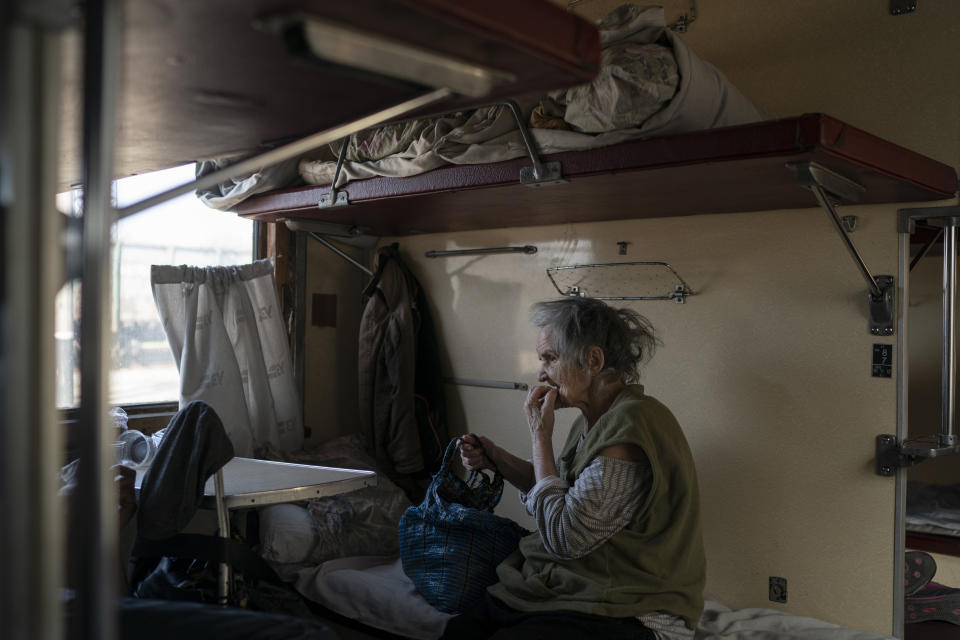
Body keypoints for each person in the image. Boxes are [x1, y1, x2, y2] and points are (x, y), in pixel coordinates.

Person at [442, 297, 705, 640]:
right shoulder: (598, 420)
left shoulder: (630, 426)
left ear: (593, 361)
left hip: (628, 606)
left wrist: (540, 436)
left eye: (550, 358)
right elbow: (563, 495)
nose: (540, 373)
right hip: (576, 590)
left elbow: (566, 538)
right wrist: (499, 460)